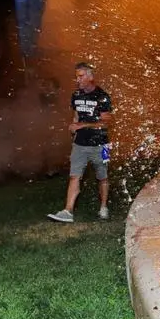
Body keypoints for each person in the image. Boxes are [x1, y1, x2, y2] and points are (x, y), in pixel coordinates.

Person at [47, 62, 114, 223]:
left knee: (102, 177)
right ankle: (68, 211)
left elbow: (107, 122)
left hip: (102, 145)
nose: (77, 79)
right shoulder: (76, 95)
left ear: (91, 77)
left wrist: (83, 125)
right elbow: (76, 117)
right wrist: (74, 128)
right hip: (80, 144)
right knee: (74, 176)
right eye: (76, 76)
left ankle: (103, 207)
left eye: (81, 76)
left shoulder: (102, 96)